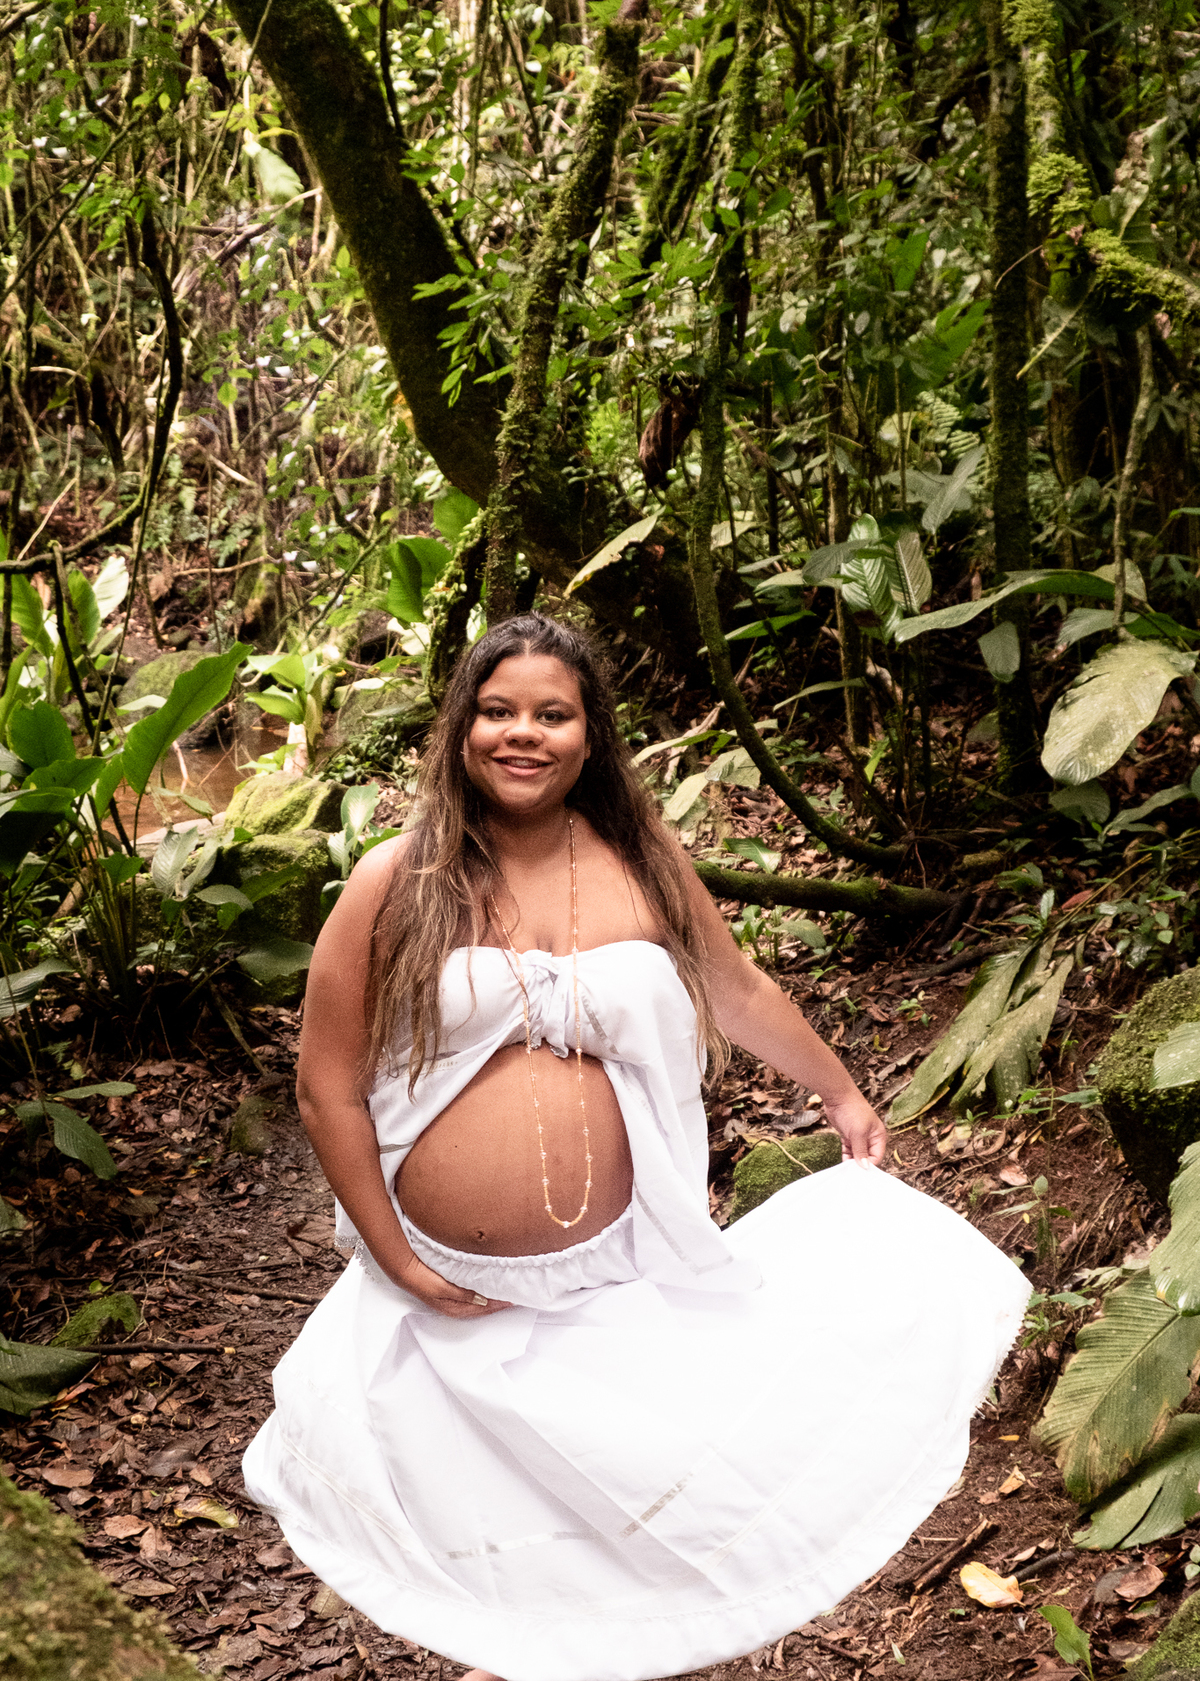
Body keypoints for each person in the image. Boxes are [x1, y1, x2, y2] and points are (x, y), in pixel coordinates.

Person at [243, 613, 1030, 1681]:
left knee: (638, 1504)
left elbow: (736, 988)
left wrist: (839, 1089)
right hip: (451, 1289)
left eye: (552, 715)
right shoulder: (398, 879)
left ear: (589, 736)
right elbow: (324, 1085)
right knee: (489, 1541)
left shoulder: (641, 866)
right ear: (461, 728)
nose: (524, 734)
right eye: (499, 711)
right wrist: (397, 1257)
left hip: (616, 1266)